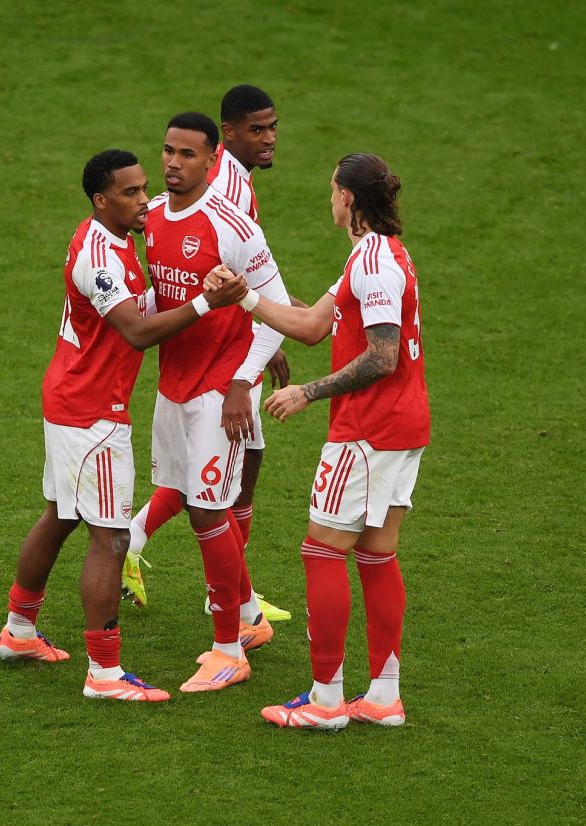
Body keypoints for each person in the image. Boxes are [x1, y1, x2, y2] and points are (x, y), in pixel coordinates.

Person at [0, 149, 247, 703]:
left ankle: (18, 631)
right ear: (100, 200)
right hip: (92, 414)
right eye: (130, 193)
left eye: (143, 188)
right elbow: (136, 331)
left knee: (59, 516)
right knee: (108, 539)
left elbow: (142, 305)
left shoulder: (110, 240)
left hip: (70, 399)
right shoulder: (101, 258)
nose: (144, 201)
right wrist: (206, 302)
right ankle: (104, 673)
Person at [209, 152, 428, 728]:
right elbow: (310, 327)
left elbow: (380, 357)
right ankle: (382, 697)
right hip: (403, 427)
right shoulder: (372, 255)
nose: (328, 198)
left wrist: (309, 391)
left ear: (349, 199)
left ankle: (326, 700)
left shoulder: (374, 265)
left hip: (369, 432)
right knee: (378, 556)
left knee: (322, 550)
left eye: (332, 189)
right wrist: (246, 297)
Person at [121, 85, 292, 625]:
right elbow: (150, 288)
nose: (173, 163)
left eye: (187, 154)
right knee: (188, 493)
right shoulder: (149, 217)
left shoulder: (232, 220)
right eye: (168, 152)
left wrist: (245, 379)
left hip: (222, 384)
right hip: (174, 383)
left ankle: (234, 634)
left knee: (208, 506)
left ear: (211, 158)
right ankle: (240, 606)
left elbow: (274, 302)